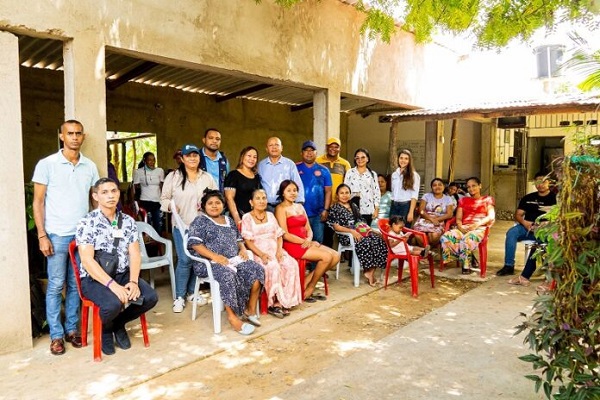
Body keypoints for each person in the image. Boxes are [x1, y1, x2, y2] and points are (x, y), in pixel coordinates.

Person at [32, 119, 100, 356]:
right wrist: (42, 235)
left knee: (75, 285)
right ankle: (56, 336)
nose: (74, 137)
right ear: (61, 136)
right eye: (69, 133)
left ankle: (71, 330)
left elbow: (95, 200)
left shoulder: (90, 166)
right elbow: (38, 202)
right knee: (55, 285)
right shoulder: (47, 164)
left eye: (78, 133)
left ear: (83, 136)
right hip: (57, 235)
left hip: (82, 237)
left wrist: (96, 230)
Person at [76, 178, 158, 356]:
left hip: (122, 273)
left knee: (150, 297)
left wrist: (133, 282)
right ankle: (106, 328)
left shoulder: (128, 221)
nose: (110, 196)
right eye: (104, 192)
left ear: (119, 194)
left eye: (114, 191)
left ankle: (118, 323)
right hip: (95, 279)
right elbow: (87, 260)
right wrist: (112, 286)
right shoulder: (87, 222)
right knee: (113, 304)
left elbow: (134, 254)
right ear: (95, 196)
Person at [188, 190, 264, 335]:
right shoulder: (200, 221)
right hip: (210, 263)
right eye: (210, 203)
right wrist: (215, 257)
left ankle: (250, 309)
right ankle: (232, 317)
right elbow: (195, 244)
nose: (214, 206)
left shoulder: (228, 220)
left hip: (233, 259)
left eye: (218, 203)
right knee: (227, 275)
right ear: (204, 206)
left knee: (256, 269)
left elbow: (238, 239)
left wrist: (242, 249)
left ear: (223, 205)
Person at [160, 143, 217, 313]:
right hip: (181, 225)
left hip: (202, 226)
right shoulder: (174, 177)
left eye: (195, 155)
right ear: (182, 158)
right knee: (185, 260)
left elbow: (215, 197)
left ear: (199, 158)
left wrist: (209, 204)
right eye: (188, 155)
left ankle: (192, 292)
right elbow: (163, 199)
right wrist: (171, 206)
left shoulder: (206, 177)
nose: (192, 158)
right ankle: (179, 296)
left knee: (198, 258)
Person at [241, 189, 302, 318]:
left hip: (275, 249)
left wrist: (279, 250)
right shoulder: (247, 217)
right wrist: (261, 254)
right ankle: (272, 303)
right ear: (251, 202)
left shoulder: (270, 215)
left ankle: (283, 301)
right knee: (272, 267)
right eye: (258, 198)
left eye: (264, 198)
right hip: (258, 252)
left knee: (291, 265)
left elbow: (279, 235)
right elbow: (248, 242)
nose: (261, 201)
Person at [275, 180, 339, 301]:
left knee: (336, 256)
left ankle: (305, 282)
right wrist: (304, 242)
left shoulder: (300, 206)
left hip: (305, 242)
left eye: (295, 190)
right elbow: (285, 234)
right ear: (283, 193)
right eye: (289, 190)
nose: (292, 193)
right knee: (326, 257)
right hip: (292, 244)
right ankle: (311, 287)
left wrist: (309, 239)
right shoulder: (280, 208)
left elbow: (308, 228)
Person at [496, 172, 557, 276]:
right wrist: (525, 223)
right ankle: (509, 266)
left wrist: (546, 224)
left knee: (547, 240)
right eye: (537, 182)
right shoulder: (528, 198)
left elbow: (558, 218)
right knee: (512, 232)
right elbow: (518, 215)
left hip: (545, 230)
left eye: (543, 181)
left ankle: (545, 269)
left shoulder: (555, 198)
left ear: (549, 182)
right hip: (527, 228)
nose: (540, 184)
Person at [327, 184, 388, 287]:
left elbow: (360, 222)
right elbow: (336, 227)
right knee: (366, 242)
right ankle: (368, 270)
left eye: (347, 193)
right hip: (347, 235)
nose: (344, 195)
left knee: (379, 240)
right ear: (337, 195)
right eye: (342, 193)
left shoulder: (353, 205)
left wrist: (373, 231)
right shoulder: (335, 208)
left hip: (360, 231)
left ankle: (370, 271)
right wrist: (352, 232)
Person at [440, 177, 495, 275]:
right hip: (464, 227)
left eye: (474, 186)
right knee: (445, 237)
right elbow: (458, 218)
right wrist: (460, 227)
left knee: (467, 240)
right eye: (468, 187)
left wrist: (476, 225)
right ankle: (469, 257)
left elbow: (491, 216)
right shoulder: (463, 200)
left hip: (479, 228)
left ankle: (466, 265)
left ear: (480, 186)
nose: (471, 188)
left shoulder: (487, 199)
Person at [316, 137, 352, 248]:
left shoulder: (345, 164)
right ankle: (324, 254)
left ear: (340, 148)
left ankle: (336, 254)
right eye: (331, 146)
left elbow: (347, 184)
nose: (333, 149)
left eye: (336, 147)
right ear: (326, 147)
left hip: (338, 205)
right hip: (322, 204)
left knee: (337, 232)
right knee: (323, 233)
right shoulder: (318, 161)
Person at [296, 140, 332, 244]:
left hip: (318, 214)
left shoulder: (324, 170)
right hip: (299, 213)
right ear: (301, 153)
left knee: (318, 242)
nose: (309, 153)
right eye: (306, 150)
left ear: (316, 153)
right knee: (301, 242)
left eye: (312, 150)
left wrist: (326, 210)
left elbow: (328, 191)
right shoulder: (294, 168)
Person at [258, 137, 305, 210]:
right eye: (271, 145)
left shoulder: (289, 164)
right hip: (265, 207)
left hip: (285, 206)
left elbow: (297, 183)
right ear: (266, 149)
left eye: (277, 145)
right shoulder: (261, 165)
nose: (274, 147)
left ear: (282, 148)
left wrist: (299, 203)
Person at [224, 146, 263, 226]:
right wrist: (237, 220)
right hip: (239, 217)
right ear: (242, 157)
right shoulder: (233, 175)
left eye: (255, 157)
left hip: (254, 218)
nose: (252, 159)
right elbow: (229, 198)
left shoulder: (257, 177)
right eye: (249, 156)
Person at [412, 178, 456, 246]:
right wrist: (431, 219)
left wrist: (436, 220)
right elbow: (421, 211)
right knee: (419, 235)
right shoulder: (426, 196)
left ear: (444, 187)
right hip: (425, 218)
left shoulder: (448, 199)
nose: (437, 187)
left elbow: (449, 214)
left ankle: (429, 248)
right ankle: (426, 249)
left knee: (434, 237)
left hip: (439, 220)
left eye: (440, 185)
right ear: (432, 187)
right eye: (434, 185)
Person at [343, 148, 380, 226]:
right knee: (353, 230)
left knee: (365, 230)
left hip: (367, 209)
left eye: (363, 157)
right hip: (352, 207)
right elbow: (345, 189)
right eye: (357, 158)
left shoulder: (372, 174)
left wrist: (376, 208)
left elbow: (376, 192)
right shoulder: (350, 172)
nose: (360, 160)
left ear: (367, 159)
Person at [133, 151, 165, 233]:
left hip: (157, 202)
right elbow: (135, 188)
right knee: (147, 225)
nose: (152, 162)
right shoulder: (138, 172)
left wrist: (164, 199)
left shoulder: (160, 171)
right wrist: (134, 202)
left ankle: (158, 240)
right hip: (145, 202)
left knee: (158, 225)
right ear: (144, 161)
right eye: (149, 160)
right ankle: (148, 241)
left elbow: (162, 186)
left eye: (154, 160)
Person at [390, 149, 420, 227]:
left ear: (409, 161)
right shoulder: (394, 174)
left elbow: (414, 195)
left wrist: (411, 212)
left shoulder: (414, 175)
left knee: (403, 229)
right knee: (393, 228)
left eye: (406, 158)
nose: (403, 160)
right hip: (394, 205)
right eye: (401, 158)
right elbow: (393, 191)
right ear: (398, 159)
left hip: (406, 206)